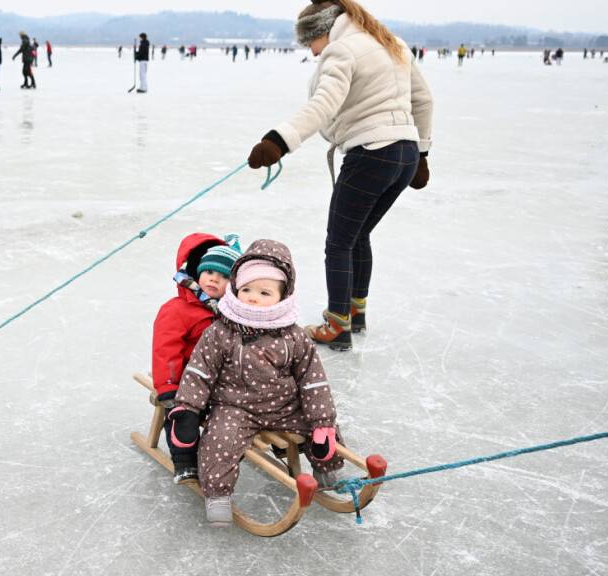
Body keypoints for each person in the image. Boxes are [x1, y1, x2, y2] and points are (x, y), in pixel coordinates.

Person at [246, 0, 433, 351]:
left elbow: (323, 104)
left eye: (310, 44)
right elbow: (423, 101)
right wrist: (421, 153)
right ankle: (354, 314)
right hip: (403, 154)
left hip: (372, 153)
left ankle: (336, 325)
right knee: (359, 236)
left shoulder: (342, 50)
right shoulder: (390, 42)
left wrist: (278, 141)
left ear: (321, 31)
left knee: (339, 242)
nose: (313, 53)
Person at [171, 240, 343, 527]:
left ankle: (327, 471)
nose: (252, 297)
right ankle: (218, 496)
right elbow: (199, 371)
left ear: (282, 295)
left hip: (284, 406)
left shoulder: (294, 335)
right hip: (235, 406)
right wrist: (187, 409)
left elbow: (313, 382)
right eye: (246, 289)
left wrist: (323, 422)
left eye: (264, 292)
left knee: (324, 430)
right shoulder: (221, 331)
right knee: (220, 439)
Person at [152, 234, 241, 484]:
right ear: (196, 271)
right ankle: (185, 460)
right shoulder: (177, 309)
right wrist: (169, 387)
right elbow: (165, 350)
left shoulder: (230, 311)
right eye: (210, 271)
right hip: (185, 381)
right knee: (183, 414)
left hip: (220, 381)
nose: (215, 279)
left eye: (224, 276)